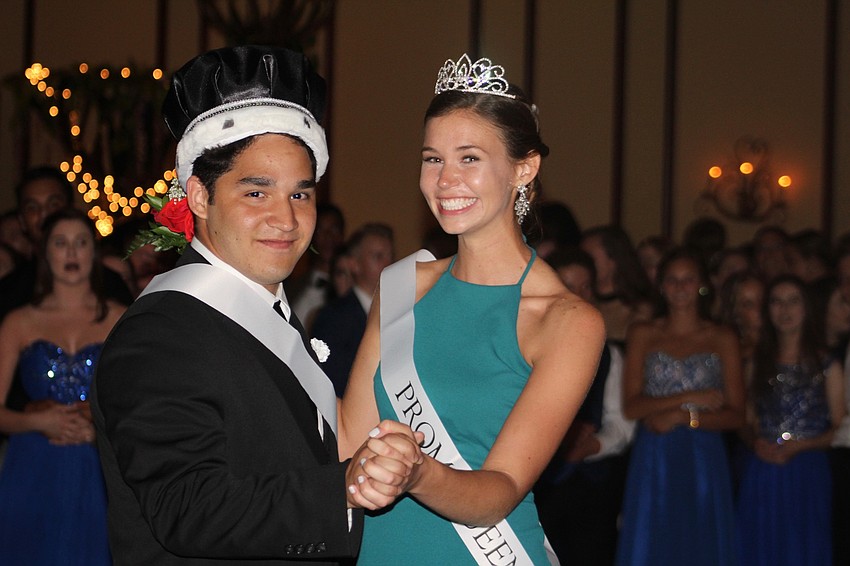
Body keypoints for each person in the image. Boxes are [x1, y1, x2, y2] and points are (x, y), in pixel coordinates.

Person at [92, 45, 422, 565]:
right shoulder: (161, 332)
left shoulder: (273, 317)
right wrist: (344, 491)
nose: (286, 220)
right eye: (256, 193)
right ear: (199, 197)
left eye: (300, 194)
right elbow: (188, 509)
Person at [338, 53, 605, 564]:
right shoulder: (401, 288)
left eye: (469, 158)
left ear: (523, 168)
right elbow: (347, 441)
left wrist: (417, 471)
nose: (444, 179)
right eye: (432, 158)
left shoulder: (565, 321)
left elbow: (498, 492)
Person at [0, 208, 125, 564]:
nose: (71, 253)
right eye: (60, 243)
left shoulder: (121, 318)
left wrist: (99, 427)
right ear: (45, 252)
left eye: (81, 243)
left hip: (99, 464)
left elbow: (141, 406)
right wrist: (38, 422)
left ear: (94, 253)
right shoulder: (19, 322)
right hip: (34, 462)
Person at [616, 247, 744, 566]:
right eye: (672, 280)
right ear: (661, 285)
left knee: (700, 544)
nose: (680, 287)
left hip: (704, 454)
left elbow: (737, 414)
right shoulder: (644, 332)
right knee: (653, 542)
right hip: (655, 455)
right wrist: (690, 399)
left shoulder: (722, 337)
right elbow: (632, 407)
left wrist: (685, 417)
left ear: (702, 285)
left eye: (688, 280)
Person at [535, 247, 634, 565]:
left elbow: (621, 425)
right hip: (538, 484)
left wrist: (590, 446)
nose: (578, 295)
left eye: (586, 287)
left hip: (590, 488)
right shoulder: (528, 347)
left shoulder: (609, 353)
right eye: (569, 286)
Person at [737, 275, 845, 566]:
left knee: (804, 545)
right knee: (761, 545)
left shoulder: (826, 364)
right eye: (776, 302)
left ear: (807, 308)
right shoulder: (757, 361)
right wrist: (755, 443)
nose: (785, 309)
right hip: (764, 464)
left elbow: (839, 426)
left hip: (806, 466)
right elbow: (746, 419)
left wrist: (802, 446)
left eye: (793, 301)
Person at [312, 223, 394, 396]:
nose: (388, 263)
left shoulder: (398, 309)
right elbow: (329, 383)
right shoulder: (335, 317)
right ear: (354, 265)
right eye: (378, 256)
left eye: (390, 256)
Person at [580, 225, 653, 347]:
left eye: (590, 259)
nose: (583, 265)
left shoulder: (641, 310)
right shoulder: (582, 306)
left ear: (614, 258)